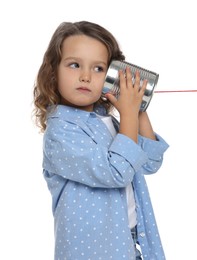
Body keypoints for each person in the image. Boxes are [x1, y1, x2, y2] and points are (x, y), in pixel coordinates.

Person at [33, 21, 169, 260]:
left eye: (98, 69)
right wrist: (127, 114)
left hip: (126, 244)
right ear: (53, 71)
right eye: (74, 65)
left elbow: (149, 162)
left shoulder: (106, 122)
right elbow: (116, 172)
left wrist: (138, 110)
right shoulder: (61, 132)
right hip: (91, 252)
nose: (86, 76)